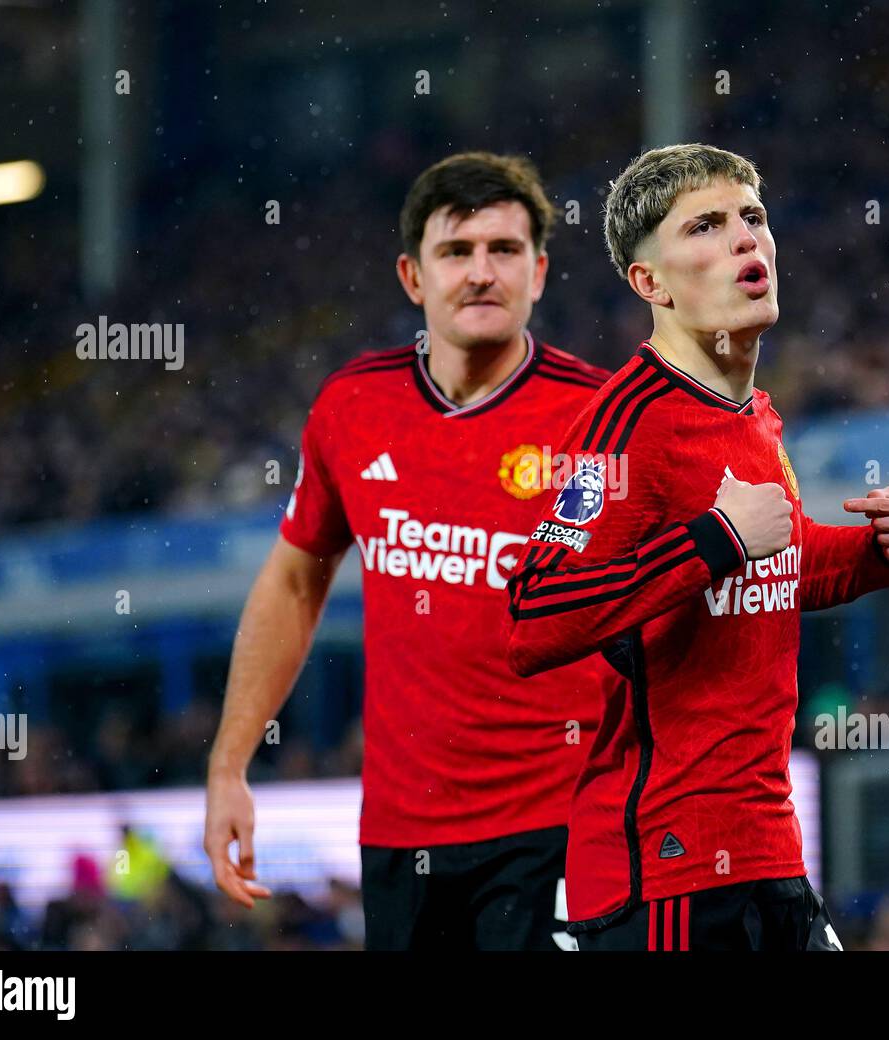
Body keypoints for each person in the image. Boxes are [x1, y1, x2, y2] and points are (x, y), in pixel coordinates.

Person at [505, 143, 889, 951]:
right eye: (706, 225)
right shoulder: (622, 424)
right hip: (664, 876)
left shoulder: (755, 418)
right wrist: (715, 539)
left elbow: (774, 565)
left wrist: (877, 555)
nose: (746, 240)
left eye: (753, 217)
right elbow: (534, 616)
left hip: (768, 855)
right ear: (650, 283)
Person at [205, 152, 609, 950]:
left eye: (504, 250)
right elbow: (293, 583)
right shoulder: (353, 407)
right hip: (402, 837)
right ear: (412, 276)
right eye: (456, 252)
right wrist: (229, 766)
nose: (481, 273)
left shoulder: (601, 419)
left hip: (563, 826)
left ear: (541, 272)